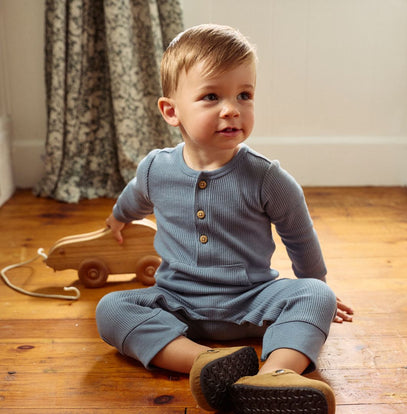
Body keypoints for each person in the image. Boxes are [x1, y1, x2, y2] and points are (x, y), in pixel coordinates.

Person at [96, 24, 353, 414]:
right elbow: (135, 197)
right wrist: (118, 219)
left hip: (252, 301)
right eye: (211, 96)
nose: (232, 108)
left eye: (244, 95)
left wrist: (317, 286)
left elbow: (299, 235)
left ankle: (275, 376)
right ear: (171, 111)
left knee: (316, 295)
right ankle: (205, 361)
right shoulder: (155, 169)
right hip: (176, 302)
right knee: (111, 309)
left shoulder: (267, 177)